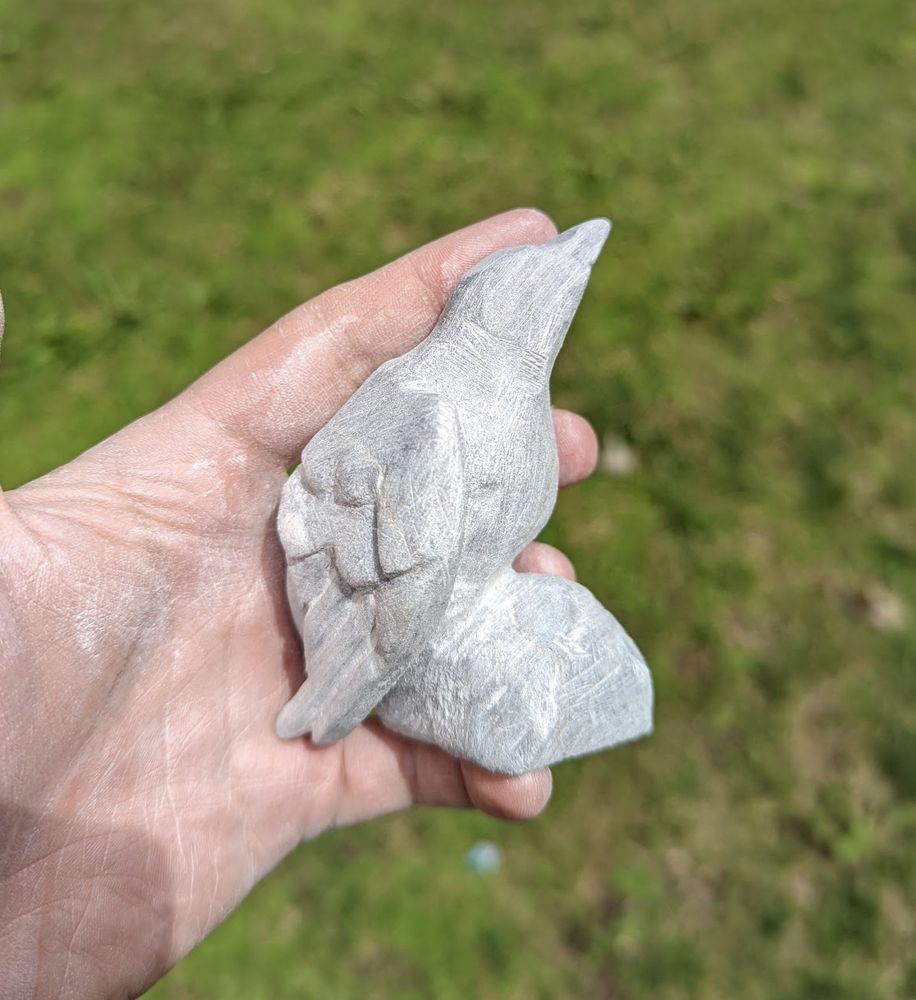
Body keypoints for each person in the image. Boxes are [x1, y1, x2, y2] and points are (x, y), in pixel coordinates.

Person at [0, 209, 600, 998]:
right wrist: (348, 685)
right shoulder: (432, 417)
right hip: (362, 648)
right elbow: (398, 581)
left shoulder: (502, 420)